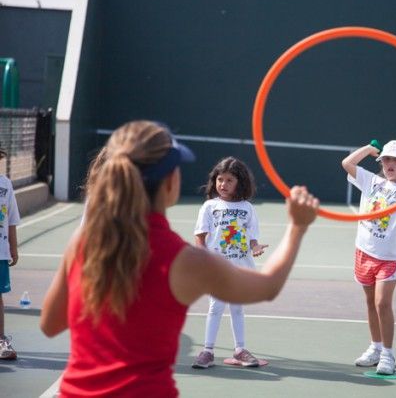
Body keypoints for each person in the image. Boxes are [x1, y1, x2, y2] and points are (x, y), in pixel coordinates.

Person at [40, 121, 318, 397]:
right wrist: (297, 228)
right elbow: (268, 286)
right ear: (170, 181)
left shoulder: (83, 242)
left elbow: (50, 324)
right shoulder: (185, 261)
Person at [341, 140, 396, 375]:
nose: (390, 164)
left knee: (382, 303)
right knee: (370, 302)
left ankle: (388, 354)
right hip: (364, 251)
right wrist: (369, 149)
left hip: (389, 257)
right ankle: (375, 347)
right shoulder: (371, 180)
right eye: (386, 159)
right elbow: (347, 163)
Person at [191, 157, 269, 369]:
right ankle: (207, 351)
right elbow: (200, 237)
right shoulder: (210, 206)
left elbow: (252, 238)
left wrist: (255, 248)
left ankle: (240, 350)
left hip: (240, 269)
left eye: (229, 180)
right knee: (215, 307)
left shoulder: (248, 208)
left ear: (240, 183)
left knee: (237, 308)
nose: (223, 184)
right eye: (220, 179)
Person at [0, 148, 20, 360]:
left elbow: (12, 220)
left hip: (0, 253)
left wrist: (13, 247)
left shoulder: (5, 185)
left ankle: (0, 340)